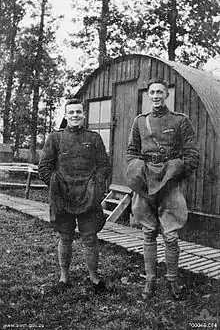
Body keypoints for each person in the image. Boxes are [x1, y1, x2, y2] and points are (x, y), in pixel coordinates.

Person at [126, 78, 199, 300]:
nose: (156, 96)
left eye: (160, 92)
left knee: (171, 235)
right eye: (152, 92)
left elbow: (192, 153)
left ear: (167, 95)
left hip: (169, 181)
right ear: (148, 95)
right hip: (145, 180)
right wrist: (136, 169)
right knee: (148, 232)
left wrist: (178, 171)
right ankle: (150, 280)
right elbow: (131, 150)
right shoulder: (140, 121)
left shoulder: (179, 121)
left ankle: (173, 280)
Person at [38, 98, 110, 292]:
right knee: (65, 237)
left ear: (83, 114)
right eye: (71, 113)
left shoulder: (93, 138)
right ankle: (64, 276)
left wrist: (95, 186)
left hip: (88, 197)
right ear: (65, 115)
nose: (75, 115)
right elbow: (44, 167)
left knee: (90, 238)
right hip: (64, 197)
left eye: (78, 112)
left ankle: (94, 277)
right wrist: (56, 186)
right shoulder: (55, 138)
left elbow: (104, 166)